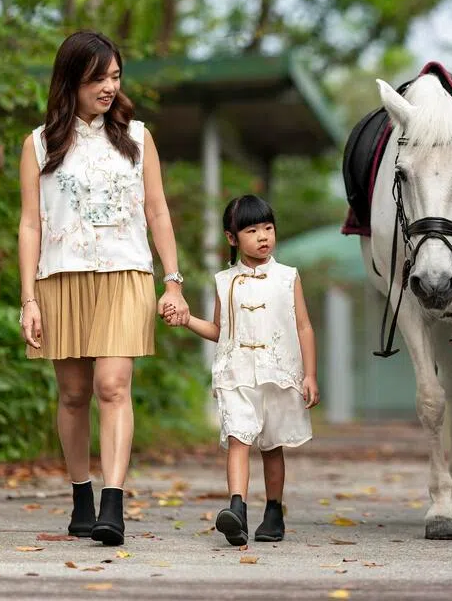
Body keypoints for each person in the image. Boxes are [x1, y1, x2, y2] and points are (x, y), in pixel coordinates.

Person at [18, 30, 189, 547]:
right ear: (71, 80)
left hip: (125, 272)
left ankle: (113, 505)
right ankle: (81, 496)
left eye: (115, 76)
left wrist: (173, 279)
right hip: (60, 277)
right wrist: (28, 298)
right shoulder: (38, 143)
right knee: (72, 394)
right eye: (98, 78)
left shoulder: (138, 137)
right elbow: (31, 224)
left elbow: (156, 209)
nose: (109, 87)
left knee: (111, 386)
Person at [163, 194, 320, 546]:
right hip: (236, 373)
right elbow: (221, 331)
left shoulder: (287, 277)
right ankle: (237, 508)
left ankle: (274, 511)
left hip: (279, 374)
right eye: (252, 230)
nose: (263, 236)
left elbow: (305, 327)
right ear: (232, 238)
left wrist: (309, 374)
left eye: (268, 228)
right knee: (238, 437)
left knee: (272, 446)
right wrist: (188, 321)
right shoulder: (224, 281)